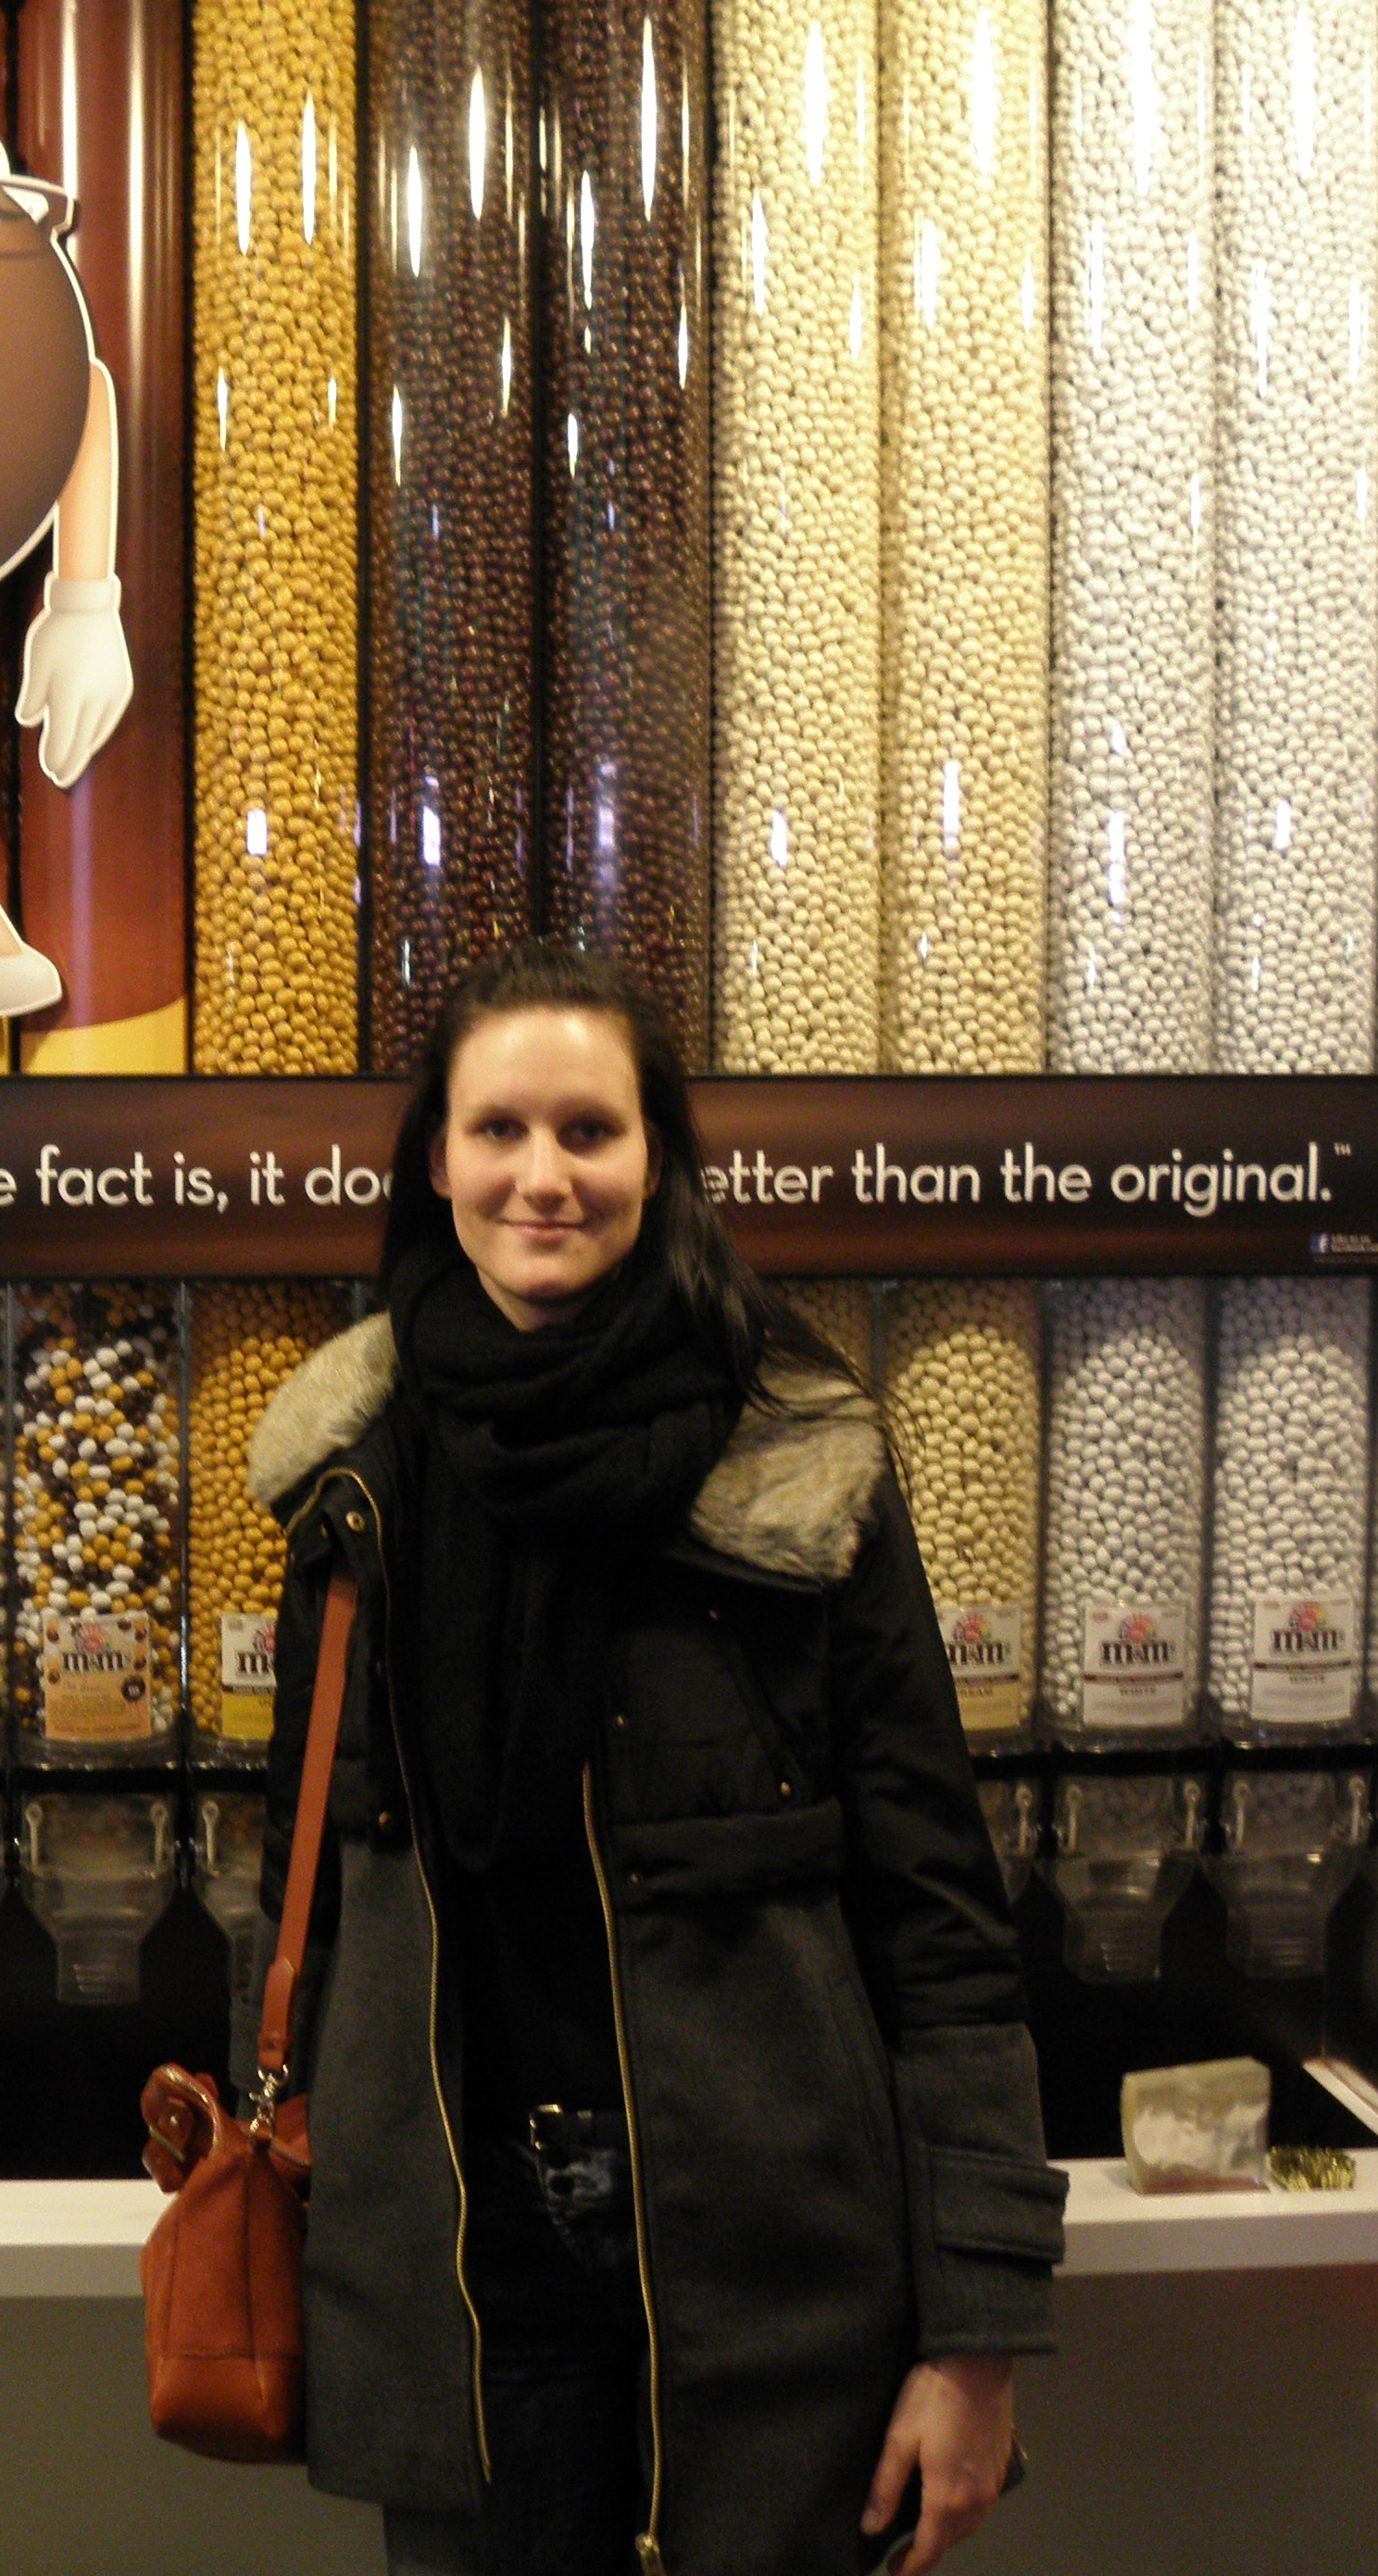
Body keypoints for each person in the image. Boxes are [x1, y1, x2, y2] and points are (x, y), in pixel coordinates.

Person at [244, 944, 1064, 2576]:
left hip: (776, 2286)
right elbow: (305, 1890)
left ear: (660, 1156)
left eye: (589, 1131)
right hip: (466, 2289)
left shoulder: (797, 1456)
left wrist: (976, 2334)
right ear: (435, 1160)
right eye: (498, 1130)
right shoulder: (356, 1476)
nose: (541, 1176)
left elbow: (939, 1913)